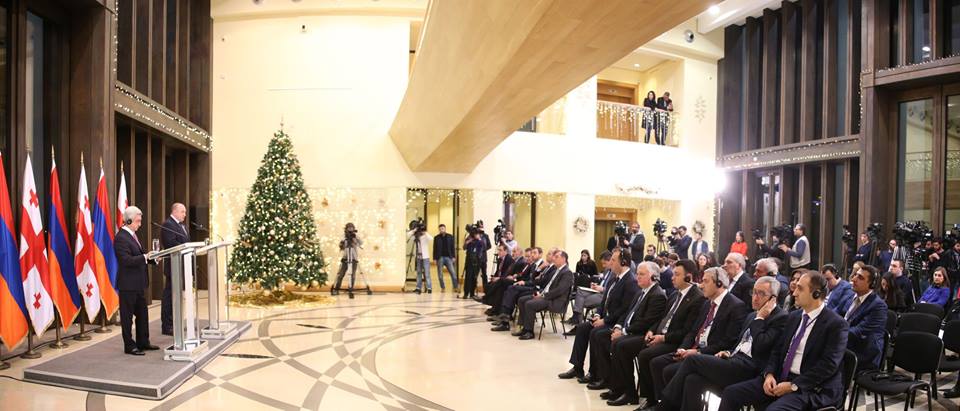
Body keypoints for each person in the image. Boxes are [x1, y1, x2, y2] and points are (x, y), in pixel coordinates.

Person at [718, 271, 849, 411]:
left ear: (816, 294)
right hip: (780, 378)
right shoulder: (794, 317)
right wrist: (769, 374)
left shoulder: (836, 324)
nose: (794, 293)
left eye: (800, 289)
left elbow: (828, 365)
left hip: (810, 387)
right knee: (731, 394)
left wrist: (793, 385)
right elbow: (778, 350)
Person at [658, 277, 788, 411]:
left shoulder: (781, 318)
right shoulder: (752, 315)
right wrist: (728, 352)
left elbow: (762, 344)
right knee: (693, 380)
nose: (755, 298)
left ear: (773, 298)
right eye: (754, 292)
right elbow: (740, 343)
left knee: (692, 360)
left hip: (751, 368)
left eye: (761, 294)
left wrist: (760, 319)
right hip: (735, 360)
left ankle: (664, 407)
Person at [604, 260, 705, 406]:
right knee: (620, 344)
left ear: (688, 277)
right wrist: (652, 330)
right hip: (659, 335)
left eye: (676, 274)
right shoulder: (675, 294)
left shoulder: (697, 298)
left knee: (642, 353)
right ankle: (626, 390)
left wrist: (663, 338)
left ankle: (650, 399)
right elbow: (662, 318)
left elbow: (687, 330)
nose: (672, 278)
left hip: (674, 341)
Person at [647, 267, 749, 409]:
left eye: (705, 281)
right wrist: (683, 348)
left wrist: (698, 352)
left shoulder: (735, 306)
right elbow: (693, 331)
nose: (701, 285)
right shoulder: (707, 303)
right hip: (693, 350)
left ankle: (665, 405)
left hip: (711, 355)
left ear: (719, 283)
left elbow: (727, 342)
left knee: (674, 372)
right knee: (658, 363)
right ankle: (667, 405)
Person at [591, 262, 667, 406]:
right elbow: (628, 314)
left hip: (643, 334)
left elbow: (646, 322)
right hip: (631, 330)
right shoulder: (641, 291)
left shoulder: (657, 295)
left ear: (652, 276)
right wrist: (619, 327)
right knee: (602, 336)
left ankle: (630, 393)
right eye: (637, 274)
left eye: (641, 274)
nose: (637, 277)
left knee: (621, 345)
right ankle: (615, 385)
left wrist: (624, 332)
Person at [559, 249, 640, 380]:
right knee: (582, 328)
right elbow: (604, 301)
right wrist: (597, 314)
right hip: (605, 318)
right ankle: (577, 367)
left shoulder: (630, 282)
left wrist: (604, 321)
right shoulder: (614, 278)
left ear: (623, 262)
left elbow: (624, 309)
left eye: (613, 260)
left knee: (595, 333)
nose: (610, 263)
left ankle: (595, 373)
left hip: (615, 322)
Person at [114, 206, 159, 355]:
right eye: (138, 221)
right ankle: (129, 345)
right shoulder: (121, 238)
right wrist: (145, 257)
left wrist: (152, 259)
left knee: (142, 315)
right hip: (128, 284)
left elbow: (140, 256)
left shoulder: (133, 235)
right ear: (128, 221)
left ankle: (143, 342)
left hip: (139, 283)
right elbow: (126, 260)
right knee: (127, 318)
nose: (140, 224)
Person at [514, 250, 574, 340]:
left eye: (556, 257)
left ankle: (529, 331)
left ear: (563, 259)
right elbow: (549, 286)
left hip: (556, 301)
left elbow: (559, 291)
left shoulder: (567, 272)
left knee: (529, 304)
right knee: (522, 300)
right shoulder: (557, 270)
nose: (554, 259)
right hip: (547, 296)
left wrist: (543, 296)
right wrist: (541, 293)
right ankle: (523, 328)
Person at [845, 265, 888, 372]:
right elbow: (836, 315)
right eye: (855, 275)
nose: (854, 279)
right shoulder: (851, 297)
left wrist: (834, 333)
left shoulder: (878, 306)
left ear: (872, 284)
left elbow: (859, 331)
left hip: (863, 352)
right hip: (847, 343)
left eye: (860, 278)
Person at [159, 202, 189, 336]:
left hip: (182, 265)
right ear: (175, 211)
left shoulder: (181, 225)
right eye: (182, 212)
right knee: (169, 297)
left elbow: (186, 242)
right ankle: (167, 326)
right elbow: (171, 244)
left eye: (185, 212)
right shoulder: (168, 225)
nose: (185, 214)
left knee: (176, 297)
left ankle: (175, 323)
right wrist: (186, 246)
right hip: (173, 266)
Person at [568, 251, 614, 325]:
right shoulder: (607, 271)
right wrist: (596, 285)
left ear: (611, 261)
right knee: (579, 290)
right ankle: (577, 320)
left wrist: (602, 289)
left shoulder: (615, 273)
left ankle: (577, 322)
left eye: (604, 263)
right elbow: (603, 281)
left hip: (604, 295)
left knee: (580, 301)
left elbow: (613, 289)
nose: (603, 266)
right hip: (598, 291)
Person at [331, 223, 363, 295]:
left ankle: (350, 288)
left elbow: (361, 243)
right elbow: (341, 246)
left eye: (352, 227)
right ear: (346, 229)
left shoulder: (355, 236)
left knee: (352, 275)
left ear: (354, 228)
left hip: (353, 258)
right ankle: (337, 288)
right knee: (341, 274)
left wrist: (355, 238)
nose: (350, 229)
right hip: (345, 257)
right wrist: (342, 242)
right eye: (349, 227)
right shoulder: (343, 236)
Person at [406, 225, 433, 294]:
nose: (421, 231)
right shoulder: (416, 237)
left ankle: (429, 288)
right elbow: (408, 235)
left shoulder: (425, 236)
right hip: (418, 257)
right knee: (418, 272)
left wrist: (425, 232)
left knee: (427, 273)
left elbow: (431, 238)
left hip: (425, 257)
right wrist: (414, 230)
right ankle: (418, 288)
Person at [433, 224, 459, 293]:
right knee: (440, 274)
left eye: (443, 228)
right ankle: (443, 288)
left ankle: (455, 287)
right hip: (440, 257)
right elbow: (434, 248)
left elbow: (452, 247)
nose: (442, 230)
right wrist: (434, 258)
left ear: (445, 229)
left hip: (448, 257)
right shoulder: (436, 238)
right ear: (439, 230)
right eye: (440, 229)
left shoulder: (450, 237)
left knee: (453, 273)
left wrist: (453, 257)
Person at [462, 230, 486, 299]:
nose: (477, 235)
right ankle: (466, 293)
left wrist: (479, 239)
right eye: (475, 234)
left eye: (477, 234)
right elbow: (464, 248)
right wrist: (467, 242)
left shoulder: (480, 242)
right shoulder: (469, 241)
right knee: (468, 278)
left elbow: (483, 248)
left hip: (477, 262)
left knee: (474, 277)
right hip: (469, 262)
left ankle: (472, 293)